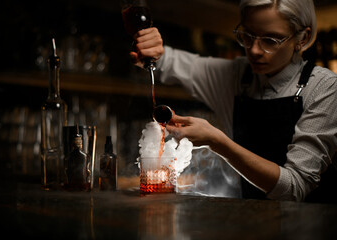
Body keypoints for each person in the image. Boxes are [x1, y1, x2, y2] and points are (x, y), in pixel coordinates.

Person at [130, 0, 337, 203]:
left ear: (303, 37)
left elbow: (295, 188)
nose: (254, 50)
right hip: (251, 226)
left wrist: (217, 142)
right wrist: (150, 47)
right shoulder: (237, 75)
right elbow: (167, 61)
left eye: (271, 40)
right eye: (247, 36)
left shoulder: (324, 87)